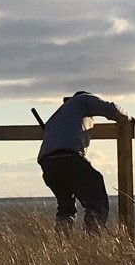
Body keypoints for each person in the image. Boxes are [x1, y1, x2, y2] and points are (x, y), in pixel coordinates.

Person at [38, 91, 127, 228]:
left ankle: (62, 244)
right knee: (97, 201)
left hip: (47, 163)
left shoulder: (56, 117)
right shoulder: (83, 100)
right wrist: (127, 119)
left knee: (66, 208)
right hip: (69, 157)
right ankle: (92, 242)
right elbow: (112, 109)